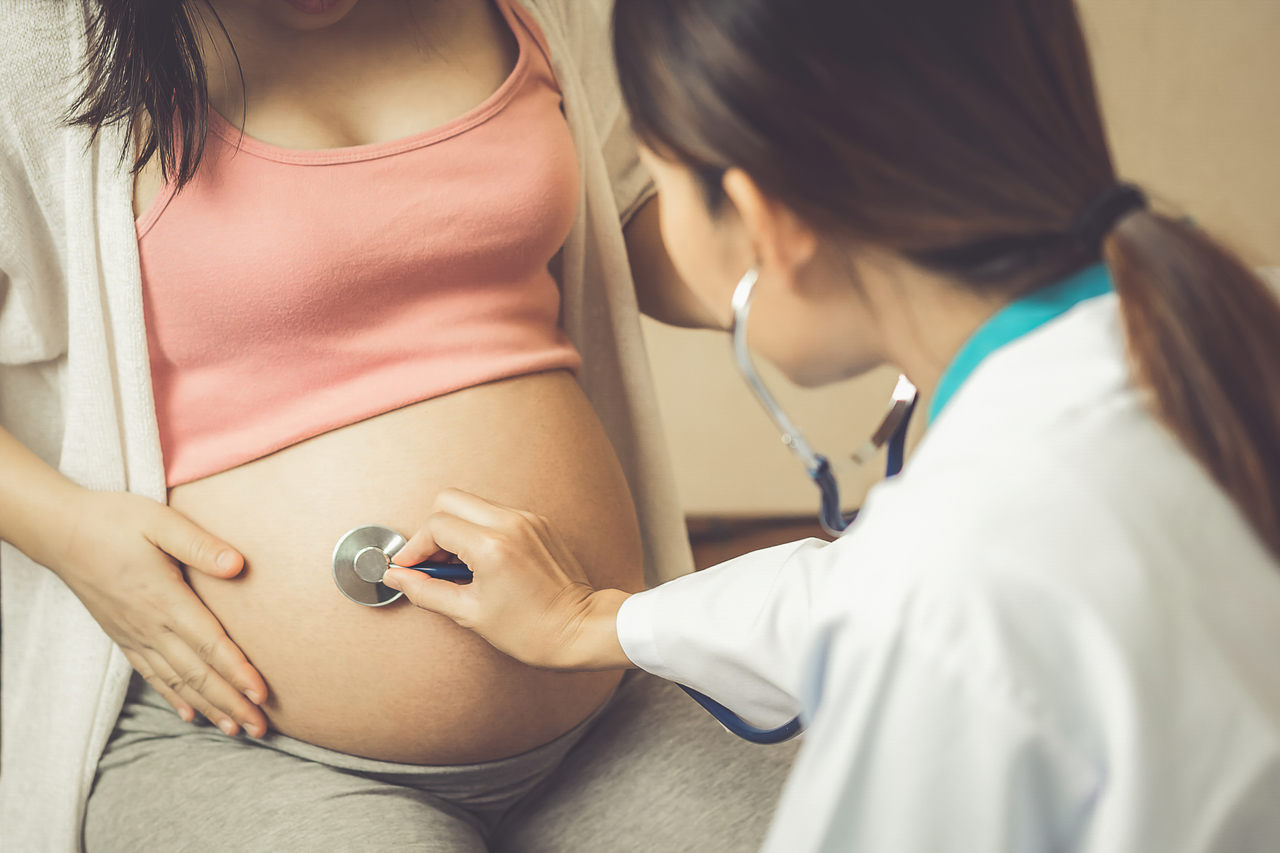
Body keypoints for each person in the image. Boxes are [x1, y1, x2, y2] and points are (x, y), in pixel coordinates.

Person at [384, 0, 1280, 850]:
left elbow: (933, 609)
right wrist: (602, 620)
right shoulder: (1201, 333)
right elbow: (877, 592)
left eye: (656, 181)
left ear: (767, 221)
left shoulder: (952, 578)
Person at [0, 0, 795, 850]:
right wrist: (68, 530)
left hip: (608, 695)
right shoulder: (39, 38)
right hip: (250, 748)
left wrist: (828, 263)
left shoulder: (536, 10)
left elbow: (632, 208)